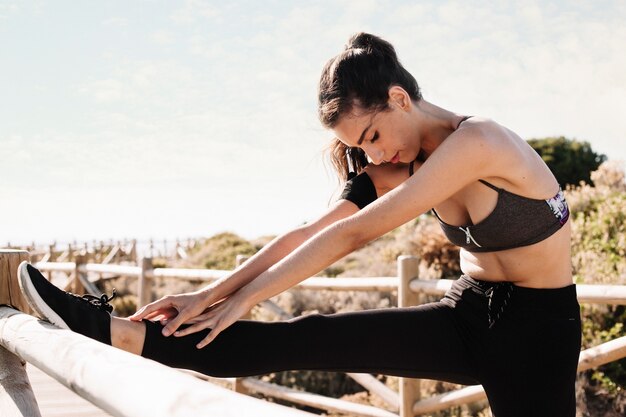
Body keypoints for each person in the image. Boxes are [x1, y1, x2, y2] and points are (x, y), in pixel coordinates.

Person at [18, 33, 581, 417]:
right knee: (300, 335)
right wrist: (213, 294)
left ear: (400, 98)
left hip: (538, 331)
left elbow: (355, 236)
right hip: (468, 311)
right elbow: (314, 230)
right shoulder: (403, 161)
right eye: (360, 149)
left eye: (372, 138)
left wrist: (249, 298)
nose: (375, 157)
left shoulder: (478, 141)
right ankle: (109, 330)